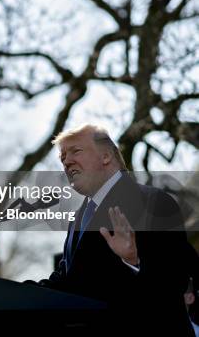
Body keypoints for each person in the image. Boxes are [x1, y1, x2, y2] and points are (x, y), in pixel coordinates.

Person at [38, 124, 194, 335]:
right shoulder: (78, 219)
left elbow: (175, 280)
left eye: (75, 151)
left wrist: (133, 261)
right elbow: (67, 281)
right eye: (62, 157)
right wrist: (15, 294)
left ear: (106, 157)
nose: (66, 161)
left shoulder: (154, 202)